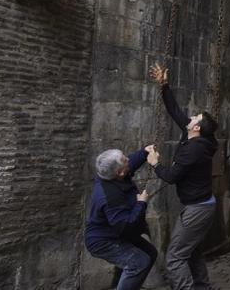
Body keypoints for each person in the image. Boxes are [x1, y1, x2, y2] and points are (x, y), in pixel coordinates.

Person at [146, 63, 219, 290]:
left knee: (175, 257)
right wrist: (164, 85)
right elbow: (175, 111)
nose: (191, 116)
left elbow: (171, 176)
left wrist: (155, 163)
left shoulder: (193, 150)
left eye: (195, 117)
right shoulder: (196, 138)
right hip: (200, 205)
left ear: (196, 128)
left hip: (197, 209)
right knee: (192, 250)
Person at [84, 148, 156, 290]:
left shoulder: (111, 175)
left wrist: (144, 152)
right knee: (139, 262)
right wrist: (141, 203)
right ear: (120, 173)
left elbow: (131, 163)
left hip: (116, 233)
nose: (128, 159)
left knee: (150, 253)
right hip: (104, 240)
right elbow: (126, 226)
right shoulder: (111, 196)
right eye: (125, 160)